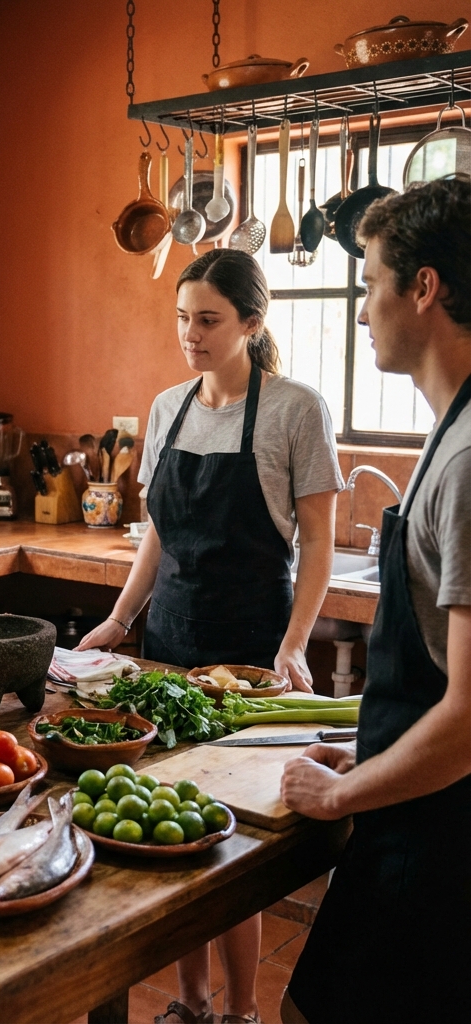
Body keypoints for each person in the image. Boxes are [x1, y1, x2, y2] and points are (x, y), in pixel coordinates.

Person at [77, 249, 342, 1024]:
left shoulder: (296, 408)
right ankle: (191, 1006)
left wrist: (293, 647)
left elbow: (319, 543)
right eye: (182, 319)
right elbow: (159, 530)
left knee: (230, 851)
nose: (190, 335)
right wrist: (121, 620)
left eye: (208, 320)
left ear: (252, 323)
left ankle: (242, 1012)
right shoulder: (168, 406)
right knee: (171, 834)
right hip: (167, 642)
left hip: (250, 653)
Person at [280, 178, 470, 1024]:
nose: (361, 311)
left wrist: (340, 798)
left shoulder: (467, 463)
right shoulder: (451, 432)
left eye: (368, 280)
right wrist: (368, 754)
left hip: (435, 842)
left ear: (422, 288)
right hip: (412, 805)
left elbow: (468, 717)